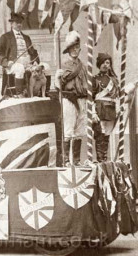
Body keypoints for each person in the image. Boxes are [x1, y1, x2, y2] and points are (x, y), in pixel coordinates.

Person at [55, 31, 88, 166]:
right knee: (68, 131)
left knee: (79, 131)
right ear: (68, 50)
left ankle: (76, 160)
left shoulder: (83, 67)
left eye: (76, 47)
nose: (74, 50)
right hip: (69, 99)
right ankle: (66, 160)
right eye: (72, 48)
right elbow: (58, 85)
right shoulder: (64, 66)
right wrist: (58, 77)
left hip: (81, 99)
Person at [0, 12, 39, 97]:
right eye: (17, 22)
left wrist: (36, 61)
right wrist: (6, 62)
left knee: (46, 67)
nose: (19, 24)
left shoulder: (26, 37)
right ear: (11, 24)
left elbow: (33, 52)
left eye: (21, 22)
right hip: (12, 65)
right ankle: (19, 93)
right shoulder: (5, 37)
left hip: (28, 64)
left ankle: (43, 92)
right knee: (19, 68)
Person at [92, 53, 120, 162]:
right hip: (100, 109)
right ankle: (100, 160)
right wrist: (93, 113)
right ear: (99, 64)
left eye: (107, 62)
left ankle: (104, 158)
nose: (105, 65)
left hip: (111, 110)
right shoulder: (94, 79)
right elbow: (91, 98)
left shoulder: (114, 80)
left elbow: (118, 95)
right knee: (99, 135)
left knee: (107, 136)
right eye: (103, 62)